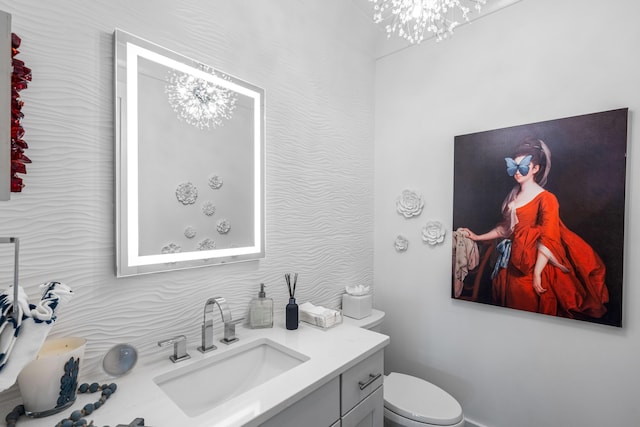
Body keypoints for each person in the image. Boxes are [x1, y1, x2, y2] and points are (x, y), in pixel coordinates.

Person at [459, 137, 609, 319]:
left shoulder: (547, 198)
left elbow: (549, 237)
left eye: (523, 166)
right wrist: (477, 237)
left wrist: (537, 272)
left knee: (526, 310)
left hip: (532, 265)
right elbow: (505, 230)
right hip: (510, 263)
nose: (517, 172)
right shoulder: (513, 197)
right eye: (514, 166)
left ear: (536, 168)